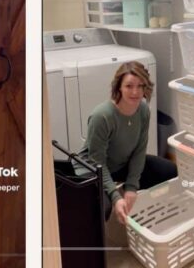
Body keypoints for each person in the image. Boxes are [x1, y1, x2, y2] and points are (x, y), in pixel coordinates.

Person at [72, 61, 177, 225]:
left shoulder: (143, 111)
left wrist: (131, 187)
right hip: (92, 169)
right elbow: (97, 161)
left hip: (120, 164)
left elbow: (139, 151)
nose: (135, 92)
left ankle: (147, 217)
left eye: (140, 86)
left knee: (169, 170)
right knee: (101, 208)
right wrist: (115, 196)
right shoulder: (102, 116)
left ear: (145, 88)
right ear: (119, 87)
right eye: (129, 86)